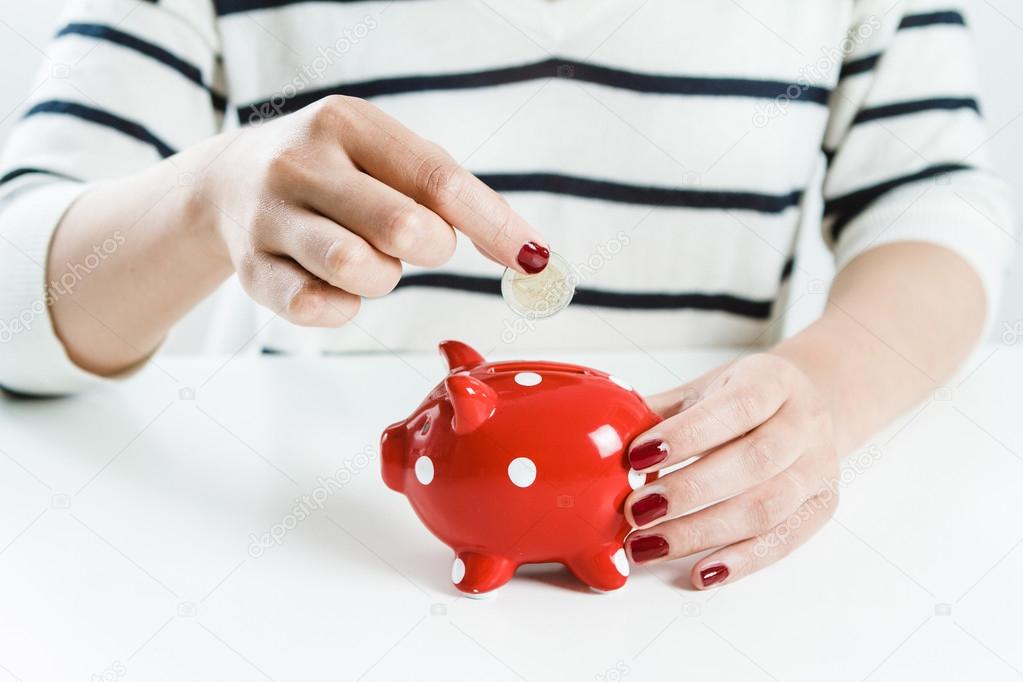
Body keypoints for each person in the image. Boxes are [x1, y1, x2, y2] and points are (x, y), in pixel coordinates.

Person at [0, 0, 1013, 589]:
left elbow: (938, 206)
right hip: (314, 572)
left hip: (689, 592)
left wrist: (826, 388)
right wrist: (203, 198)